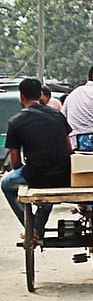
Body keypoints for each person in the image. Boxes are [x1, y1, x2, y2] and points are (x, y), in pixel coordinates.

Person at [2, 79, 71, 240]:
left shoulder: (15, 121)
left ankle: (31, 226)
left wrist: (21, 171)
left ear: (21, 96)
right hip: (64, 173)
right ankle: (36, 227)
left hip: (37, 175)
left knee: (6, 184)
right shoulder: (57, 115)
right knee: (50, 182)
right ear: (40, 94)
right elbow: (68, 147)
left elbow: (15, 159)